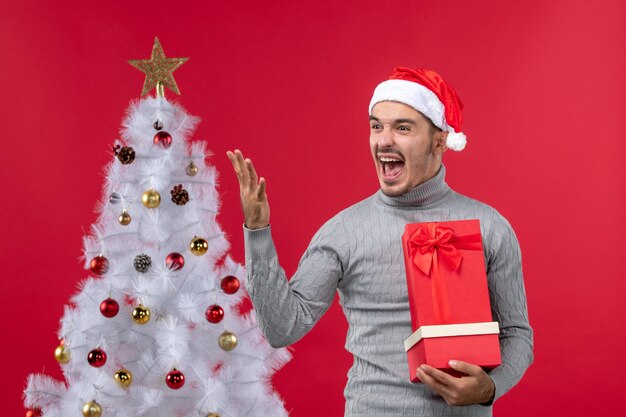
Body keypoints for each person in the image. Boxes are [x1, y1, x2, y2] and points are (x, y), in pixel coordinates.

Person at [227, 67, 533, 416]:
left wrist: (490, 387)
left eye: (402, 127)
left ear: (439, 141)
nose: (384, 140)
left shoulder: (491, 227)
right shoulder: (343, 231)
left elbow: (517, 335)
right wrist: (257, 232)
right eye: (376, 126)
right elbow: (282, 328)